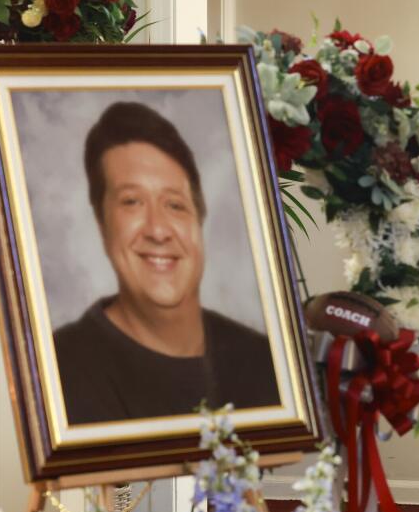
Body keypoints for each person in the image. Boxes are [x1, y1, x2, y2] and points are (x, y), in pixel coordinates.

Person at [53, 101, 280, 424]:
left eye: (175, 205)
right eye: (132, 202)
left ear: (199, 218)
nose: (158, 230)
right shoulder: (60, 367)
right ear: (102, 224)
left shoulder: (263, 361)